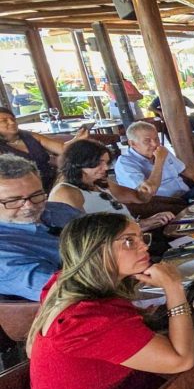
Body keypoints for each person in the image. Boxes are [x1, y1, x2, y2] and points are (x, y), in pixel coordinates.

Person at [26, 212, 194, 389]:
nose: (144, 248)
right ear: (96, 250)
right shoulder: (85, 320)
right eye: (129, 241)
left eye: (141, 237)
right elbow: (181, 360)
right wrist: (174, 288)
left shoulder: (64, 282)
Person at [0, 154, 80, 301]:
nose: (29, 206)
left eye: (36, 195)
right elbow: (64, 291)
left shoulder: (60, 210)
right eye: (13, 201)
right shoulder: (3, 250)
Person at [49, 139, 174, 231]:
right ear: (79, 162)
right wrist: (141, 225)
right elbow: (83, 234)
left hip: (134, 235)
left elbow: (142, 198)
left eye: (107, 163)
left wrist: (145, 222)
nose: (105, 168)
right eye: (99, 163)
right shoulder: (65, 192)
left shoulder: (100, 183)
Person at [114, 121, 194, 201]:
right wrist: (159, 160)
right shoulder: (125, 163)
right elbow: (147, 192)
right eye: (147, 141)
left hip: (187, 195)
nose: (155, 144)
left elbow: (184, 169)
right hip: (164, 203)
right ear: (132, 143)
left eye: (156, 139)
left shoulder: (161, 151)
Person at [0, 107, 88, 190]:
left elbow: (62, 148)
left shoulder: (30, 136)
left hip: (52, 178)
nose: (12, 122)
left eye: (13, 119)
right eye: (4, 121)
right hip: (24, 186)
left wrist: (77, 139)